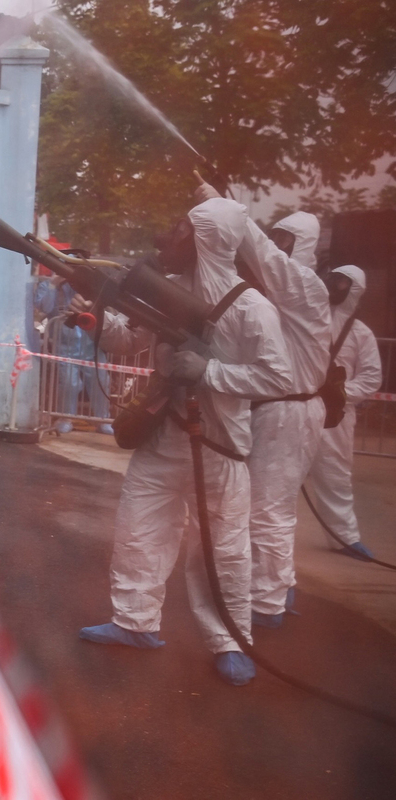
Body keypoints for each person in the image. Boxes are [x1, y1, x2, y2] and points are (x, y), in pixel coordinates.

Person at [77, 196, 291, 687]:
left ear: (206, 240)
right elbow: (128, 340)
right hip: (164, 436)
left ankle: (231, 640)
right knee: (138, 529)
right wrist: (96, 320)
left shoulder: (252, 308)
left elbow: (278, 378)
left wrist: (211, 371)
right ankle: (134, 621)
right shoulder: (166, 290)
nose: (166, 238)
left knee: (222, 550)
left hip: (217, 449)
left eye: (180, 228)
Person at [230, 208, 333, 629]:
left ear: (300, 243)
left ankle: (266, 604)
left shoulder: (304, 285)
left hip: (288, 410)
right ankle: (280, 585)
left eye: (284, 238)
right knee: (275, 505)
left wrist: (228, 208)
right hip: (288, 409)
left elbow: (264, 256)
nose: (278, 244)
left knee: (267, 510)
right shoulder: (294, 292)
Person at [305, 266, 383, 559]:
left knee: (334, 475)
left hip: (336, 416)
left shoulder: (361, 333)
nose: (334, 286)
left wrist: (339, 395)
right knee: (279, 473)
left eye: (342, 282)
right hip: (297, 407)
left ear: (355, 290)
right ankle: (262, 538)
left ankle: (344, 537)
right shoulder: (307, 319)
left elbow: (371, 377)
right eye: (332, 279)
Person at [34, 276, 113, 434]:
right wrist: (53, 283)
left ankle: (103, 419)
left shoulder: (88, 283)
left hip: (91, 344)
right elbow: (44, 308)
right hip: (65, 345)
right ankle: (65, 418)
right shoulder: (48, 286)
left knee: (101, 382)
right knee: (70, 383)